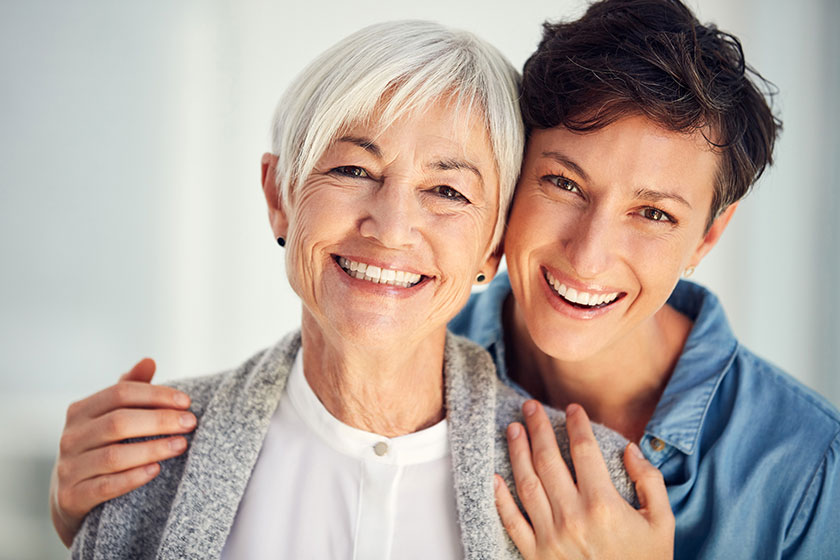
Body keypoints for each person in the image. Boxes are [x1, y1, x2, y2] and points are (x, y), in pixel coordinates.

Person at [53, 20, 672, 560]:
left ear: (492, 248)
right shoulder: (138, 466)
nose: (392, 228)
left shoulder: (598, 502)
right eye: (353, 170)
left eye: (447, 191)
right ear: (279, 197)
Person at [448, 0, 840, 558]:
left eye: (654, 214)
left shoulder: (810, 468)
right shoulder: (414, 357)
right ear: (514, 176)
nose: (587, 257)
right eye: (563, 183)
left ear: (707, 237)